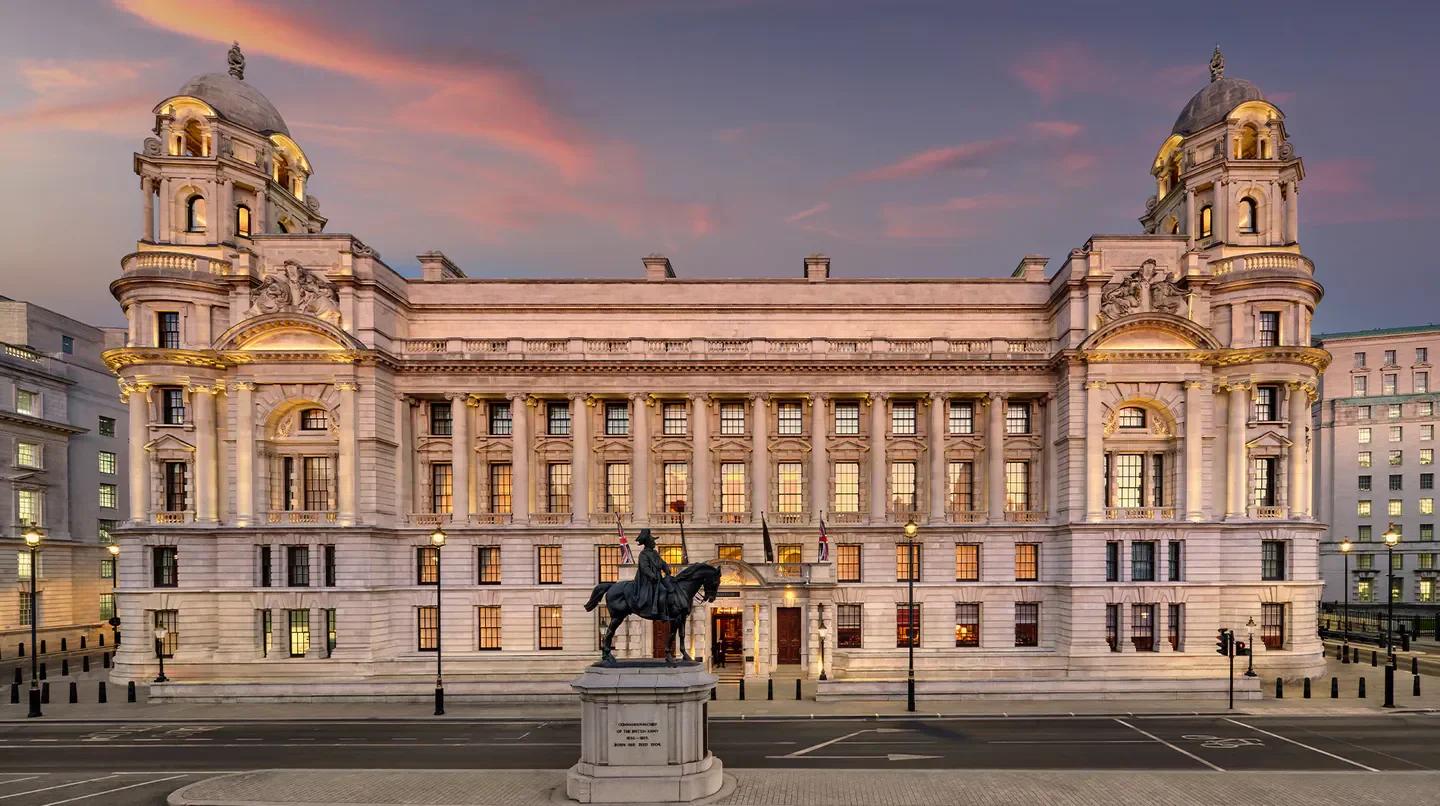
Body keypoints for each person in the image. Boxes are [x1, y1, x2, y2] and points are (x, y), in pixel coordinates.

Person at [632, 529, 686, 623]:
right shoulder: (643, 554)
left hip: (658, 578)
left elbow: (661, 562)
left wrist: (666, 568)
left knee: (672, 587)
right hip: (648, 581)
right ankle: (662, 614)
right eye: (652, 541)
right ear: (648, 542)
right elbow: (645, 568)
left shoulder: (654, 553)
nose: (654, 543)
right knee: (663, 590)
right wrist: (652, 575)